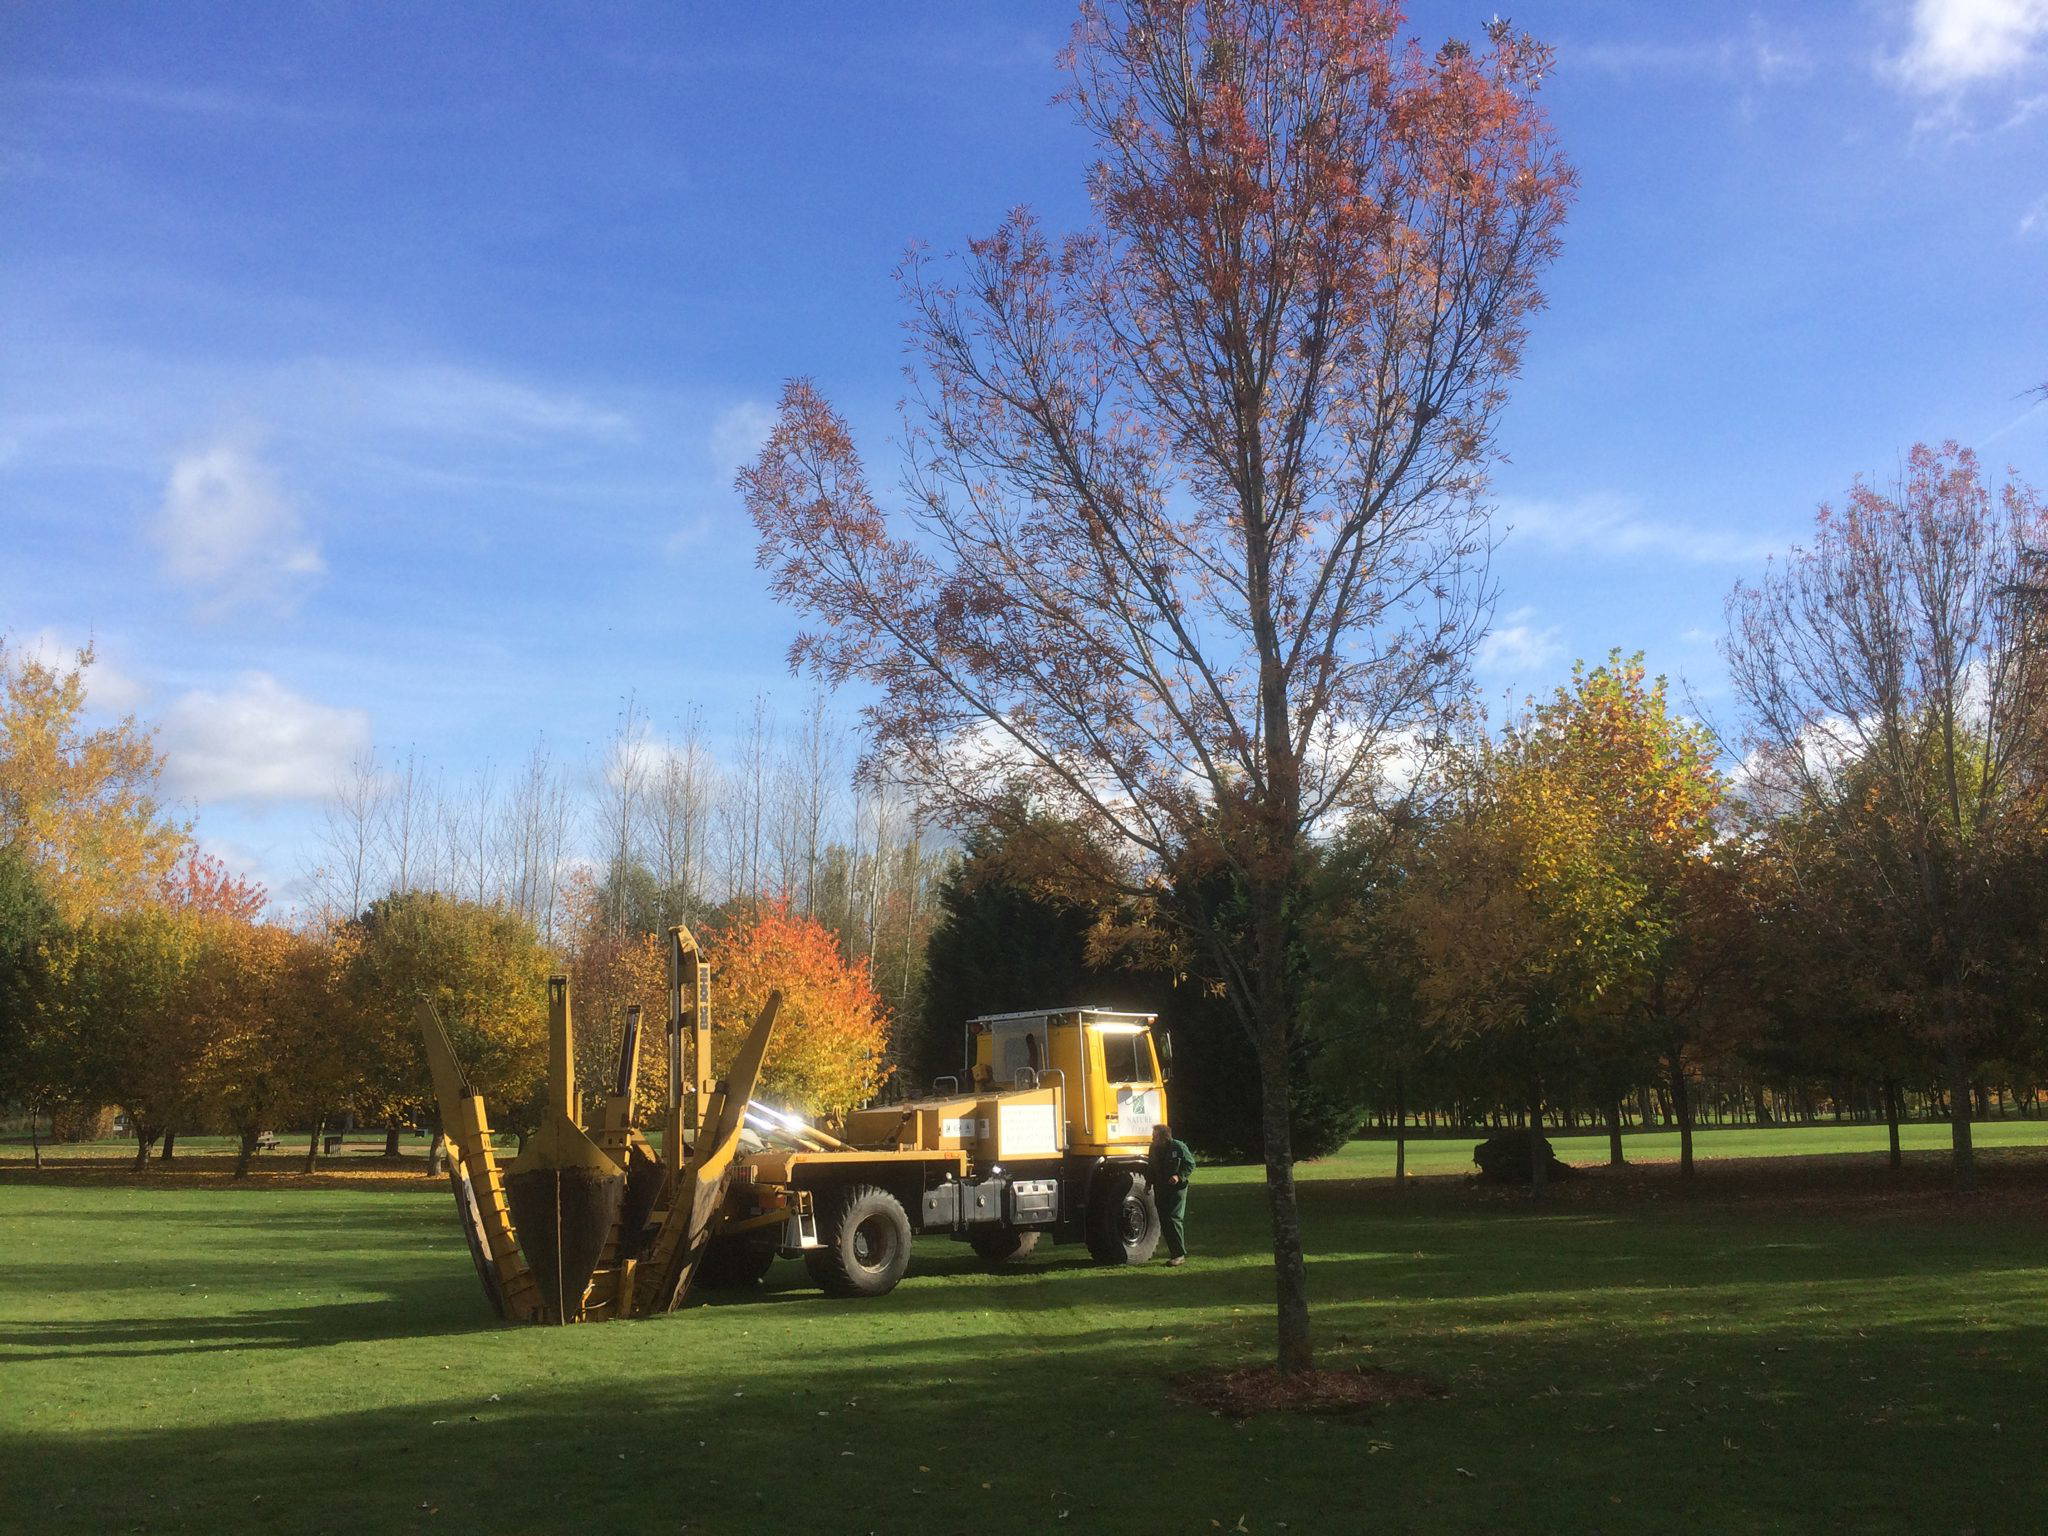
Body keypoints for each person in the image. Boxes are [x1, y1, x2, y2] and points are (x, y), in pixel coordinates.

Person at [1147, 1123, 1195, 1266]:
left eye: (1155, 1136)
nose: (1152, 1138)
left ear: (1163, 1137)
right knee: (1164, 1220)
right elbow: (1151, 1167)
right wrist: (1148, 1183)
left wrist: (1179, 1176)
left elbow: (1190, 1164)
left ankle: (1179, 1255)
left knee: (1173, 1218)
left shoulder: (1178, 1146)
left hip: (1176, 1189)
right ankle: (1174, 1253)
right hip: (1160, 1188)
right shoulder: (1153, 1148)